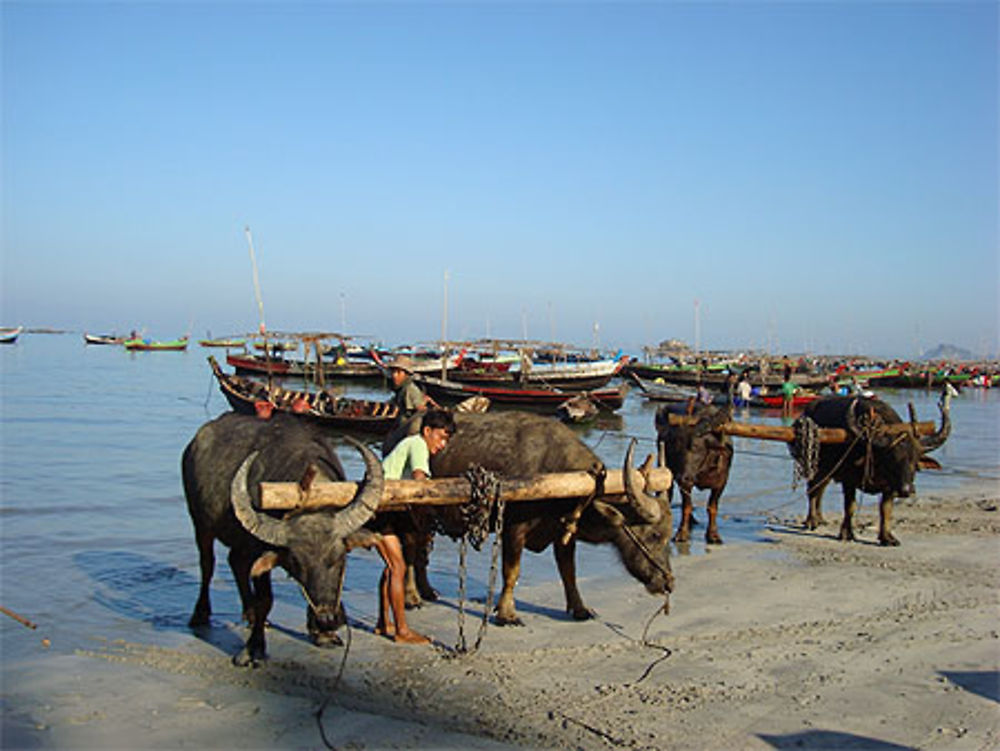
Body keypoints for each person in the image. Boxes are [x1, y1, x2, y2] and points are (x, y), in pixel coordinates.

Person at [371, 409, 456, 644]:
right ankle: (401, 631)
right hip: (381, 509)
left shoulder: (411, 443)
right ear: (427, 431)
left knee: (390, 568)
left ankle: (383, 622)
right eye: (440, 437)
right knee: (397, 567)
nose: (442, 444)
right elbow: (420, 481)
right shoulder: (418, 444)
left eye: (447, 440)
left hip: (385, 507)